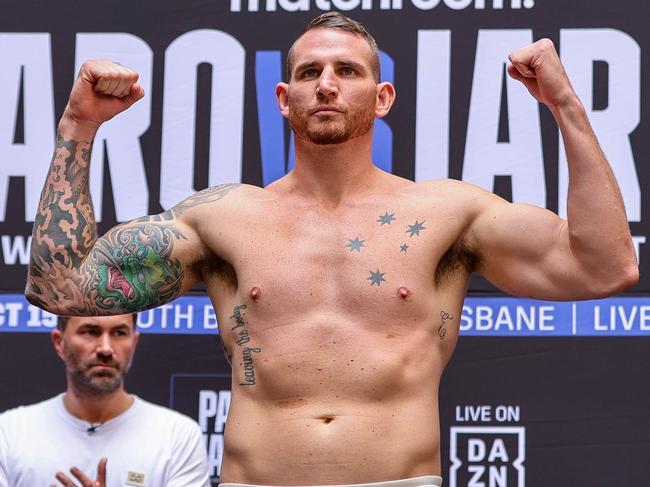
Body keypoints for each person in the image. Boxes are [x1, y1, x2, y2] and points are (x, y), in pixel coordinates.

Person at [25, 11, 637, 487]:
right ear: (283, 98)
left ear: (383, 96)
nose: (327, 85)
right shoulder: (224, 219)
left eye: (348, 71)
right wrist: (79, 128)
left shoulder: (448, 213)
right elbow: (63, 288)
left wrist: (565, 106)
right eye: (309, 72)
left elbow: (606, 266)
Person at [0, 314, 210, 487]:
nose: (106, 348)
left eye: (119, 333)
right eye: (90, 331)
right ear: (59, 342)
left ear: (134, 342)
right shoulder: (9, 433)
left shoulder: (178, 436)